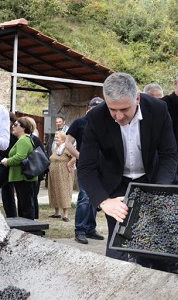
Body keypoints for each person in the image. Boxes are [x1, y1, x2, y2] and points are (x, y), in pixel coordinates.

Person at [77, 72, 178, 261]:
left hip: (150, 180)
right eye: (112, 109)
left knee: (153, 244)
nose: (118, 116)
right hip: (116, 184)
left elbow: (169, 155)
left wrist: (158, 191)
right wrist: (104, 202)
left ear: (137, 98)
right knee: (118, 245)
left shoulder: (158, 109)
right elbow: (85, 166)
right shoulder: (97, 118)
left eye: (124, 109)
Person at [65, 97, 106, 245]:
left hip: (100, 166)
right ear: (88, 108)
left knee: (96, 198)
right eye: (94, 108)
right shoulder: (79, 122)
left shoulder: (106, 122)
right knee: (84, 197)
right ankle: (80, 230)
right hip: (85, 166)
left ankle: (90, 228)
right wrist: (80, 156)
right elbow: (68, 143)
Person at [0, 117, 37, 220]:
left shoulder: (23, 140)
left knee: (26, 205)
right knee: (23, 204)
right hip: (20, 177)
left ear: (23, 128)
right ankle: (25, 227)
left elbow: (20, 157)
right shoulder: (23, 139)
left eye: (16, 125)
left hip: (23, 176)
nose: (13, 126)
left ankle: (29, 228)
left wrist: (7, 161)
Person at [20, 116, 46, 219]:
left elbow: (41, 156)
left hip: (34, 172)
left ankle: (33, 219)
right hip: (30, 171)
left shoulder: (34, 139)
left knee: (32, 196)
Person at [47, 130, 74, 221]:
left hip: (63, 174)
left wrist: (69, 164)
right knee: (54, 191)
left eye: (57, 137)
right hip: (54, 174)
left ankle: (65, 214)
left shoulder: (66, 147)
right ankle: (56, 212)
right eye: (55, 137)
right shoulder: (56, 148)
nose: (55, 139)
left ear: (63, 139)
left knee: (64, 192)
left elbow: (75, 156)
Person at [0, 112, 19, 217]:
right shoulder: (2, 134)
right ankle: (11, 215)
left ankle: (12, 215)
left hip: (6, 166)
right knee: (7, 193)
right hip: (1, 165)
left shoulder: (13, 137)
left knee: (7, 193)